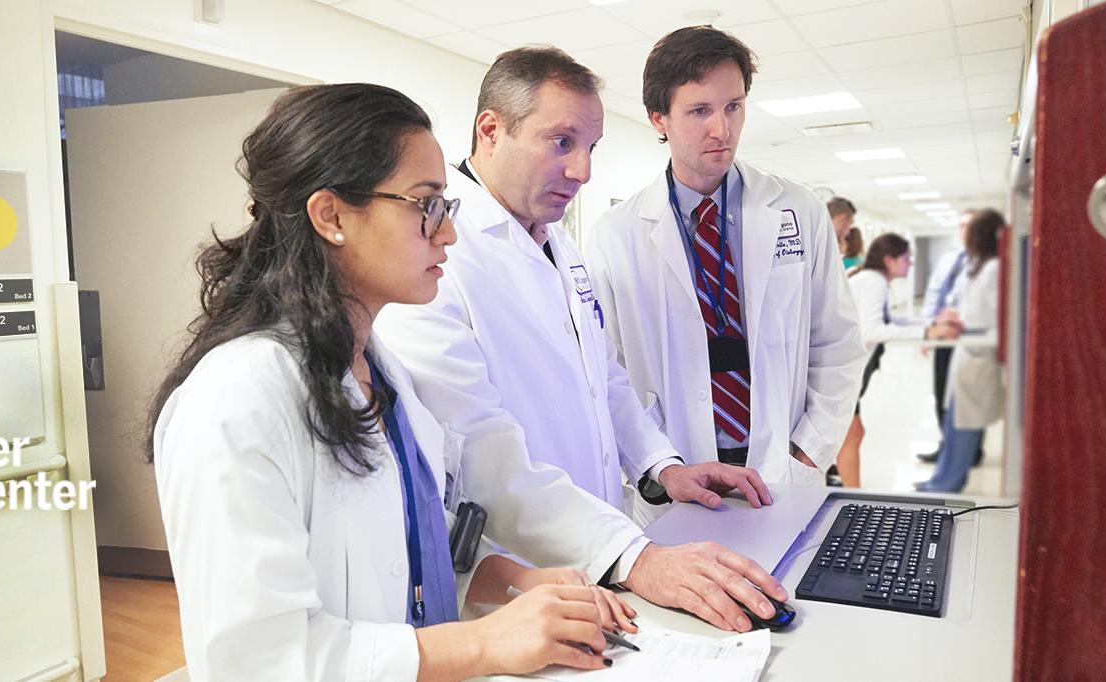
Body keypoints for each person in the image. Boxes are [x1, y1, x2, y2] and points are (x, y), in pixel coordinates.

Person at [149, 84, 638, 681]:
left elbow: (400, 553)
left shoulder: (380, 373)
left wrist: (508, 580)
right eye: (425, 204)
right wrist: (483, 645)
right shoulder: (235, 401)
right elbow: (257, 662)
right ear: (330, 216)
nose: (447, 234)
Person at [377, 46, 790, 635]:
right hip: (512, 581)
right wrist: (635, 556)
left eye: (590, 147)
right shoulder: (438, 261)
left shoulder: (558, 244)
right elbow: (479, 450)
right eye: (562, 142)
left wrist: (660, 466)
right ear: (491, 131)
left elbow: (606, 377)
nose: (583, 171)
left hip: (605, 558)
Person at [585, 25, 865, 487]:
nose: (723, 129)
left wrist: (807, 453)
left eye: (733, 107)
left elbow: (837, 342)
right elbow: (609, 371)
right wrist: (658, 468)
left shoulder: (798, 210)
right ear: (659, 118)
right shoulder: (615, 236)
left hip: (782, 468)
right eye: (699, 110)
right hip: (678, 474)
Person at [834, 233, 961, 487]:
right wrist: (926, 332)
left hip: (846, 372)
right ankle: (853, 497)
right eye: (906, 258)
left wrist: (930, 323)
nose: (910, 263)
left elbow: (889, 321)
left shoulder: (874, 280)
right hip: (841, 374)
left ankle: (852, 493)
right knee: (851, 434)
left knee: (851, 433)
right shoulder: (873, 282)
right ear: (890, 259)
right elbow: (872, 331)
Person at [918, 209, 1007, 493]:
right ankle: (939, 479)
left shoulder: (994, 268)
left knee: (965, 426)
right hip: (965, 350)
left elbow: (996, 318)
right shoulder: (981, 266)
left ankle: (947, 483)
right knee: (954, 422)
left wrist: (964, 324)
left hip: (977, 352)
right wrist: (954, 317)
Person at [917, 209, 981, 464]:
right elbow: (934, 294)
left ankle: (971, 451)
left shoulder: (988, 261)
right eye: (961, 226)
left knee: (968, 397)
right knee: (942, 392)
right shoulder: (949, 259)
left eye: (970, 226)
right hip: (944, 337)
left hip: (972, 340)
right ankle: (947, 446)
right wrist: (927, 332)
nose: (964, 231)